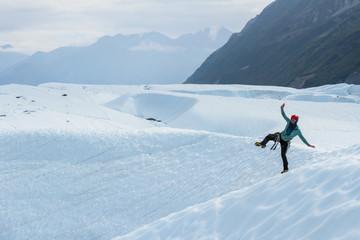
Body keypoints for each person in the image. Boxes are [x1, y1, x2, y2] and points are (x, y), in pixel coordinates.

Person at [255, 103, 315, 174]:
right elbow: (284, 115)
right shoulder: (288, 122)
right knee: (269, 136)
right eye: (292, 119)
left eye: (294, 120)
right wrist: (282, 108)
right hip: (279, 137)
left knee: (283, 155)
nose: (292, 121)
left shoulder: (297, 131)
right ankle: (263, 144)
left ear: (296, 121)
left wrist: (308, 145)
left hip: (285, 142)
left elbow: (302, 138)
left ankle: (286, 169)